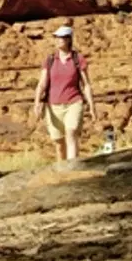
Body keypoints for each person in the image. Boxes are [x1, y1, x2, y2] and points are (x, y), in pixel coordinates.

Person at [32, 25, 96, 161]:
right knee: (59, 143)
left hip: (74, 102)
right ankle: (62, 169)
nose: (58, 40)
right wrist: (37, 102)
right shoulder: (50, 60)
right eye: (56, 37)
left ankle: (72, 167)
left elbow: (86, 85)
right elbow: (42, 83)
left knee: (71, 132)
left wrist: (91, 106)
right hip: (53, 106)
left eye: (61, 37)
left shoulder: (77, 59)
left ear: (68, 39)